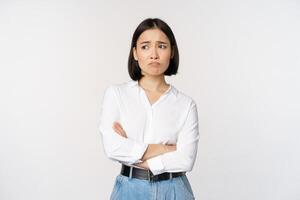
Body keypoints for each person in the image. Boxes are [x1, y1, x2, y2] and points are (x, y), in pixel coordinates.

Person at [99, 18, 199, 200]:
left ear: (172, 53)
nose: (153, 54)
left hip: (175, 190)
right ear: (135, 53)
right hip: (129, 190)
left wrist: (132, 152)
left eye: (161, 46)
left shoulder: (186, 104)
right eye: (145, 46)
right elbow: (113, 148)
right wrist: (165, 149)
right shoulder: (116, 94)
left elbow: (186, 159)